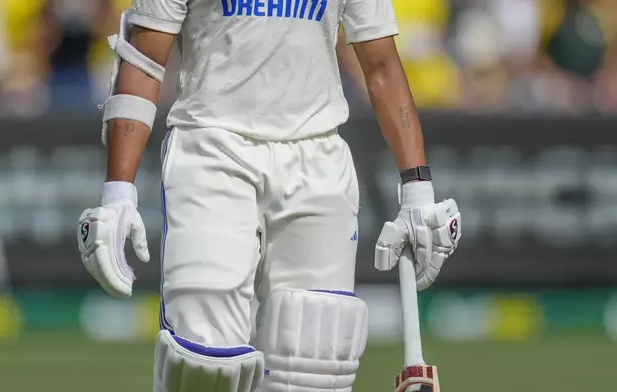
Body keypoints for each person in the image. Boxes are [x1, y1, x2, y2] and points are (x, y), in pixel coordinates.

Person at [76, 0, 462, 391]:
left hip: (317, 154)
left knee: (313, 369)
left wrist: (417, 189)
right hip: (212, 148)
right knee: (204, 366)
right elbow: (143, 60)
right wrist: (118, 193)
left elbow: (381, 66)